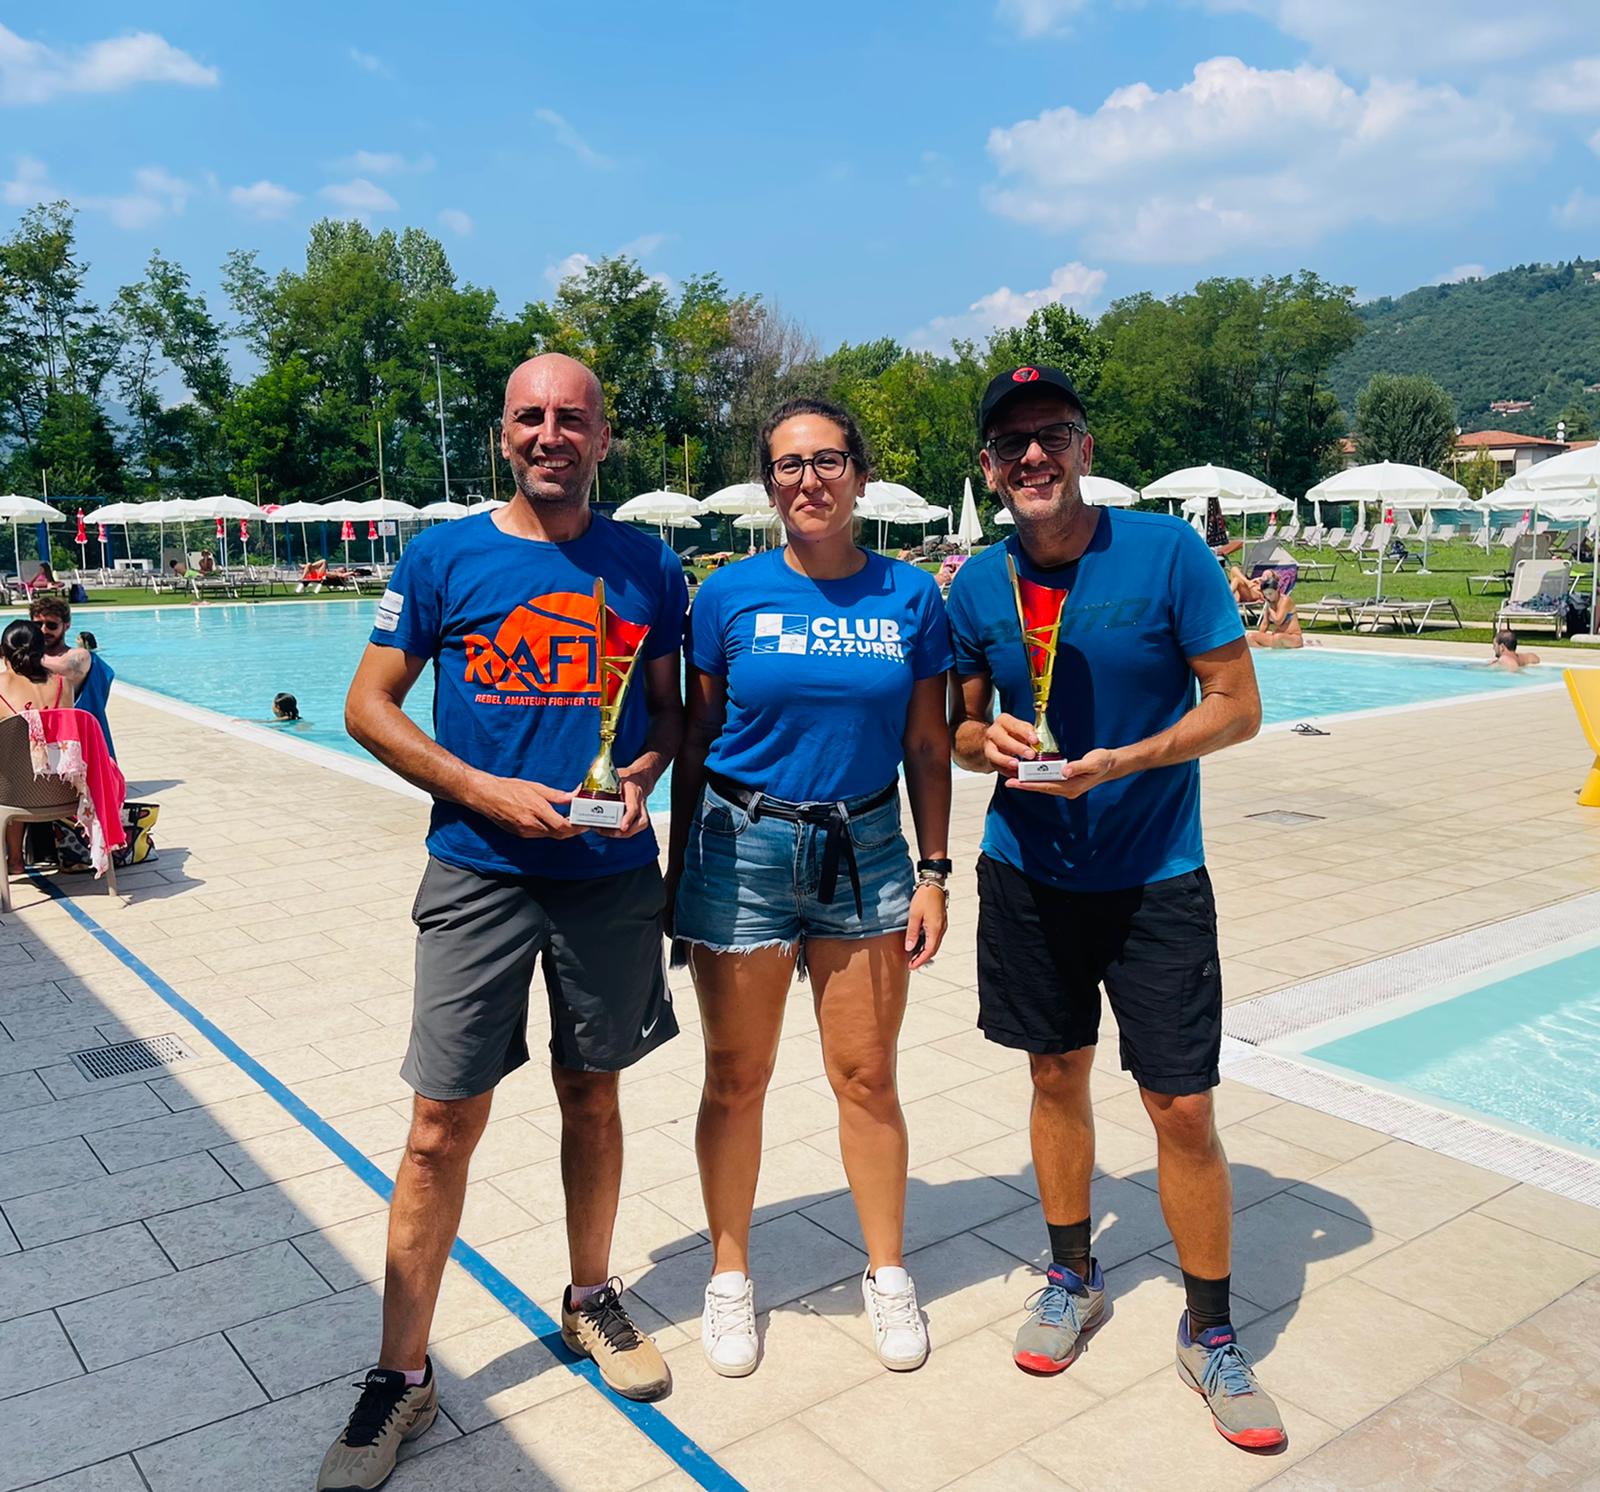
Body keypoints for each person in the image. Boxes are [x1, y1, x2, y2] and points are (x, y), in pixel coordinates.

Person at [326, 354, 687, 1491]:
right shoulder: (443, 558)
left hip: (609, 873)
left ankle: (590, 1298)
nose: (549, 434)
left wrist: (641, 775)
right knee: (441, 1123)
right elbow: (365, 705)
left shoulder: (647, 564)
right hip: (479, 870)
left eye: (570, 418)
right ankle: (402, 1374)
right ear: (502, 435)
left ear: (602, 437)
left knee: (595, 1089)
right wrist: (478, 789)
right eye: (530, 416)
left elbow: (669, 712)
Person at [947, 365, 1283, 1450]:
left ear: (1083, 447)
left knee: (1179, 1106)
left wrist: (1132, 758)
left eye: (1051, 435)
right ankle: (1071, 1272)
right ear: (989, 470)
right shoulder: (974, 585)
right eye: (1010, 444)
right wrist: (980, 742)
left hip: (1154, 877)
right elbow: (956, 731)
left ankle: (1212, 1327)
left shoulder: (1167, 553)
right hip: (1029, 872)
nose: (1031, 456)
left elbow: (1238, 706)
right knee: (1054, 1074)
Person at [668, 397, 953, 1379]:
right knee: (735, 1079)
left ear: (859, 475)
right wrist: (677, 880)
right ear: (768, 483)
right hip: (738, 849)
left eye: (826, 460)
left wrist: (934, 872)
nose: (808, 480)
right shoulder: (726, 597)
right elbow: (694, 743)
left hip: (867, 850)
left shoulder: (912, 598)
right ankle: (729, 1274)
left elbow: (926, 742)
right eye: (788, 466)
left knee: (866, 1077)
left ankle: (885, 1271)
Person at [0, 619, 74, 877]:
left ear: (4, 652)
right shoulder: (65, 684)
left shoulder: (1, 685)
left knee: (13, 770)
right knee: (22, 766)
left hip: (14, 793)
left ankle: (15, 860)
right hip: (65, 788)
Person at [30, 596, 115, 759]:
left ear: (66, 626)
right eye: (37, 624)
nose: (43, 630)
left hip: (71, 738)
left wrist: (17, 656)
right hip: (38, 738)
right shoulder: (28, 657)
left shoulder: (79, 656)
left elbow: (66, 670)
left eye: (51, 625)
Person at [1247, 570, 1304, 649]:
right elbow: (1265, 624)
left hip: (1293, 638)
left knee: (1278, 638)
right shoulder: (1269, 602)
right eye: (1266, 594)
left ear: (1277, 590)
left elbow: (1278, 620)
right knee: (1250, 637)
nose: (1268, 597)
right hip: (1276, 638)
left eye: (1270, 594)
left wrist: (1270, 607)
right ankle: (1263, 656)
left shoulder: (1285, 601)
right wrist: (1260, 636)